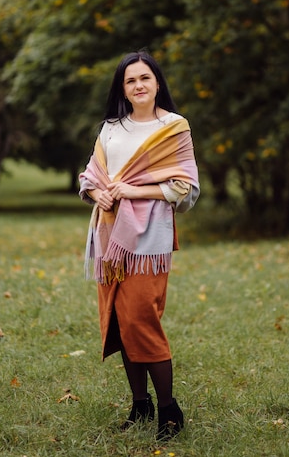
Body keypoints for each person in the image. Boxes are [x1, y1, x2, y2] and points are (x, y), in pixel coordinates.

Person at [79, 50, 199, 441]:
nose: (139, 85)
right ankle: (140, 404)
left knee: (140, 320)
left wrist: (132, 189)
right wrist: (97, 193)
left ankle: (169, 410)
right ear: (124, 89)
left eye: (145, 78)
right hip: (109, 237)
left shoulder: (174, 127)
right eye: (131, 81)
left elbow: (185, 188)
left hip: (149, 241)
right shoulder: (112, 128)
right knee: (118, 319)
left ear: (157, 82)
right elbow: (93, 175)